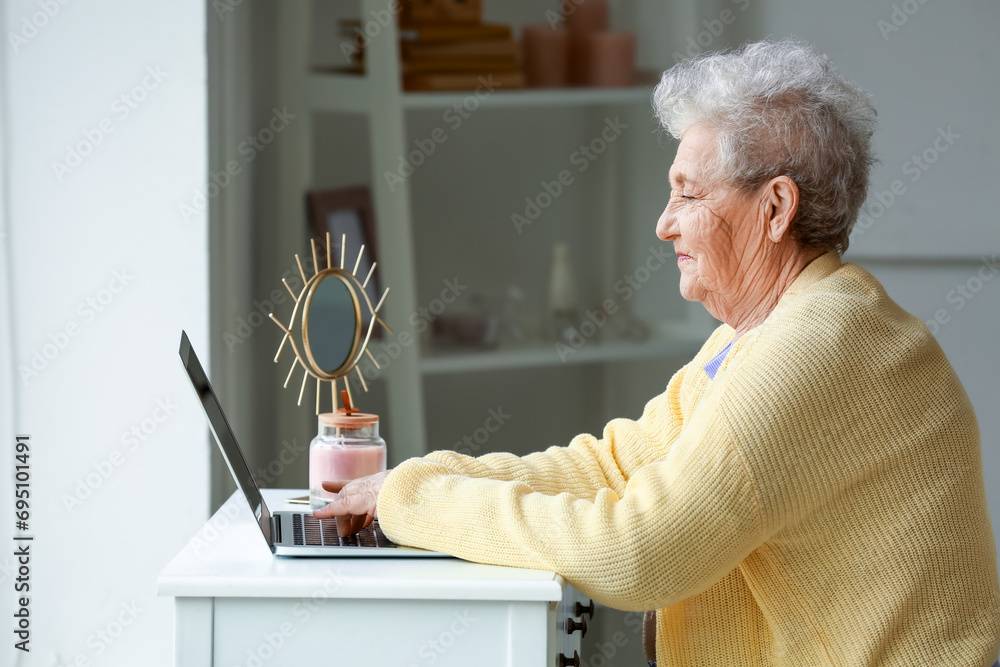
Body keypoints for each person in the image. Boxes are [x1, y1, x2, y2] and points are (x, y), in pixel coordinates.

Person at [315, 40, 1000, 666]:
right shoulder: (762, 333)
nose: (663, 221)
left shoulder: (819, 346)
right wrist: (419, 480)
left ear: (775, 208)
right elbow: (612, 465)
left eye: (689, 194)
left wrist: (416, 503)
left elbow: (639, 552)